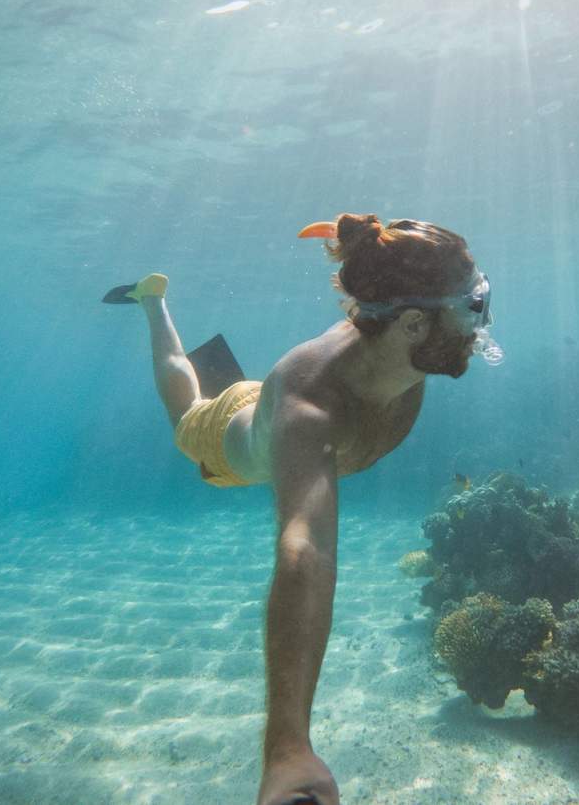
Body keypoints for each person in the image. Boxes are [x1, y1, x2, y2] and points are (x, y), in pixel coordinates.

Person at [108, 214, 499, 805]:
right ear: (415, 323)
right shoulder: (315, 410)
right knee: (185, 405)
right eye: (475, 304)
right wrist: (288, 749)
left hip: (274, 411)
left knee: (253, 400)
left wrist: (356, 235)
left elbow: (392, 264)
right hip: (227, 442)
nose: (484, 321)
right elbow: (305, 551)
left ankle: (231, 380)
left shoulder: (400, 326)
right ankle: (151, 303)